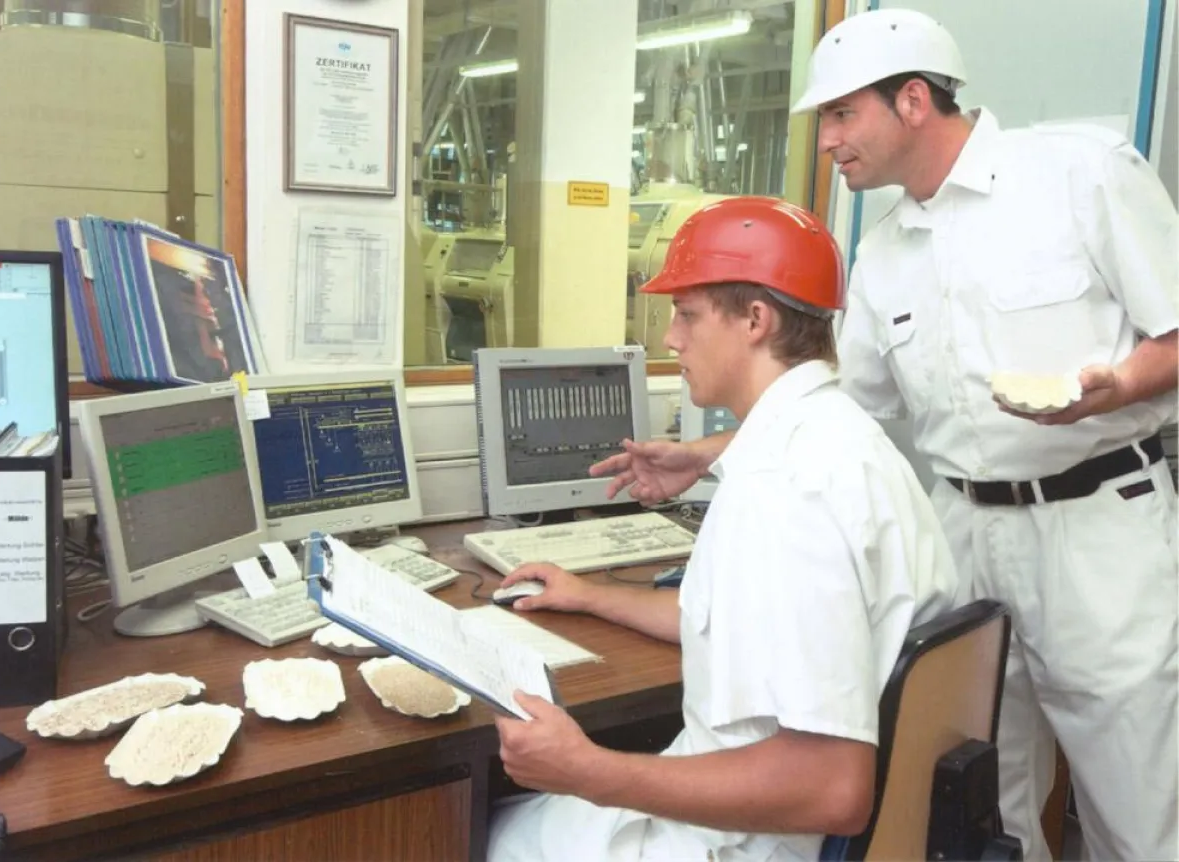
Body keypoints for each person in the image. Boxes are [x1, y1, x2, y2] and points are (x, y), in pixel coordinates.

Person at [591, 9, 1179, 861]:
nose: (828, 141)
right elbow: (837, 403)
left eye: (840, 115)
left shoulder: (1081, 176)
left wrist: (1116, 388)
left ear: (911, 101)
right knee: (979, 806)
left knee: (1138, 809)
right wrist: (701, 458)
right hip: (966, 533)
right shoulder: (887, 252)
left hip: (1094, 525)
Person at [487, 196, 957, 861]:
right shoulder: (849, 441)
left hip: (747, 842)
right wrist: (589, 595)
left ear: (756, 321)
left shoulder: (785, 491)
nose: (671, 337)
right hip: (772, 817)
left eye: (687, 314)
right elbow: (745, 626)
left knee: (475, 826)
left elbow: (831, 788)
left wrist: (590, 771)